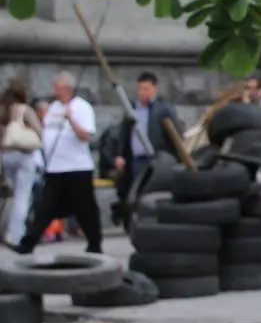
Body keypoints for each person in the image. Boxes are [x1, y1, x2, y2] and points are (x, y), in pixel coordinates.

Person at [16, 72, 103, 255]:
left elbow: (86, 136)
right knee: (45, 207)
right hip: (55, 168)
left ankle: (94, 243)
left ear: (67, 89)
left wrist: (71, 120)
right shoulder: (54, 107)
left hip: (77, 168)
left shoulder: (81, 107)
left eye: (58, 87)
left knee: (85, 208)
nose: (55, 91)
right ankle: (28, 243)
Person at [113, 71, 177, 225]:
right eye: (140, 89)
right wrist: (120, 154)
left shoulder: (163, 109)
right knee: (135, 192)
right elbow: (124, 133)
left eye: (146, 89)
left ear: (154, 88)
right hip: (136, 159)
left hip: (156, 159)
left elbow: (174, 137)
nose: (143, 93)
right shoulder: (132, 109)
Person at [1, 79, 43, 249]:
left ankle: (7, 229)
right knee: (22, 196)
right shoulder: (24, 110)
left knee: (10, 195)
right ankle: (15, 235)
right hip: (24, 155)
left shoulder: (2, 110)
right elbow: (40, 131)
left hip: (6, 156)